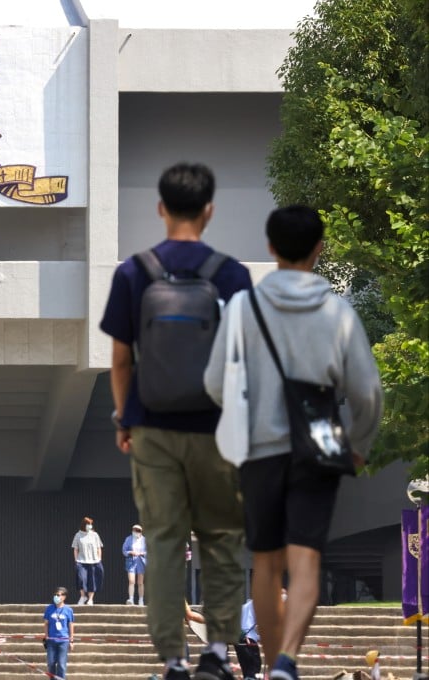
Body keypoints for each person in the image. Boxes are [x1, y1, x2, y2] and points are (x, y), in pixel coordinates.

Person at [203, 205, 383, 680]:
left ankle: (268, 663)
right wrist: (359, 444)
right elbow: (368, 392)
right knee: (306, 559)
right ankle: (286, 661)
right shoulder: (337, 310)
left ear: (270, 247)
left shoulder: (242, 307)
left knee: (265, 562)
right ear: (320, 249)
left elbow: (215, 383)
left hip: (259, 449)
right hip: (318, 446)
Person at [100, 162, 252, 680]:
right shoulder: (232, 275)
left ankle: (174, 657)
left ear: (160, 208)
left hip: (154, 428)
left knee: (164, 542)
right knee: (221, 538)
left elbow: (122, 360)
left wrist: (125, 418)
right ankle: (216, 653)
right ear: (209, 211)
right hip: (216, 428)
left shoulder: (133, 272)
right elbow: (244, 358)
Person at [43, 586, 75, 678]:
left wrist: (71, 640)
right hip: (51, 641)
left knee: (61, 665)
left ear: (64, 597)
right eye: (55, 595)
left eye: (58, 595)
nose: (56, 597)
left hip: (63, 641)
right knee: (51, 664)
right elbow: (46, 624)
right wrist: (46, 636)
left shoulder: (68, 610)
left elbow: (71, 625)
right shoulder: (49, 608)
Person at [71, 517, 103, 605]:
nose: (90, 526)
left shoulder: (95, 535)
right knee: (81, 579)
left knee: (92, 581)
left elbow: (99, 547)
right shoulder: (78, 535)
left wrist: (99, 558)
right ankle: (82, 596)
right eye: (88, 524)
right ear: (84, 525)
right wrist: (76, 560)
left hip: (94, 561)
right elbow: (75, 548)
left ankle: (90, 599)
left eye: (91, 524)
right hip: (81, 561)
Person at [123, 524, 147, 605]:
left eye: (138, 530)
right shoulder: (128, 539)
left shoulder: (144, 540)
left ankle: (141, 600)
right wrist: (130, 552)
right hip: (131, 561)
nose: (136, 532)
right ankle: (131, 599)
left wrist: (142, 553)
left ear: (141, 532)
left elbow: (149, 551)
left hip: (141, 561)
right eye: (134, 530)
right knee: (131, 581)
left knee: (140, 582)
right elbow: (124, 550)